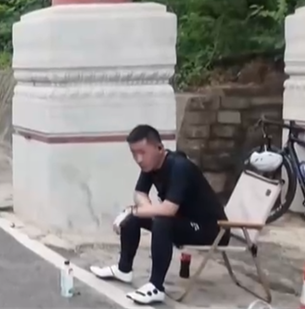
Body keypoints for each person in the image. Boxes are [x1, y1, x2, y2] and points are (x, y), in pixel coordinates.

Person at [90, 124, 229, 305]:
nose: (138, 159)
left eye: (142, 152)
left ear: (159, 148)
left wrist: (136, 210)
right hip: (183, 222)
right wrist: (142, 211)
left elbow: (169, 209)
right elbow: (139, 193)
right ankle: (124, 269)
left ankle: (156, 287)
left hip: (212, 229)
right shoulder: (151, 166)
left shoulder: (180, 167)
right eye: (134, 153)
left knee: (161, 221)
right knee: (135, 218)